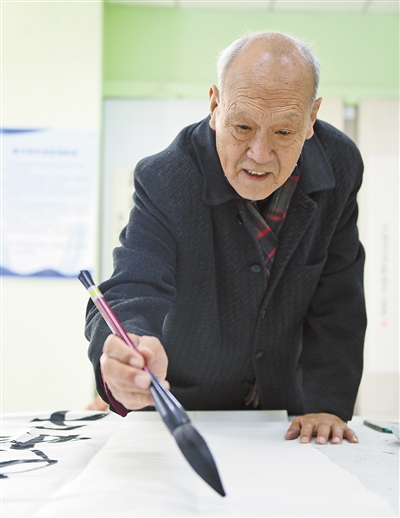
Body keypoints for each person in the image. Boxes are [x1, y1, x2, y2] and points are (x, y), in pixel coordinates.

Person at [85, 31, 366, 445]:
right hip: (187, 405)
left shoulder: (339, 164)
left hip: (286, 413)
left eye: (284, 132)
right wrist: (126, 353)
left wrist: (327, 404)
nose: (259, 153)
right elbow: (134, 284)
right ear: (215, 105)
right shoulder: (166, 177)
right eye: (243, 126)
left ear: (312, 118)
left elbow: (338, 295)